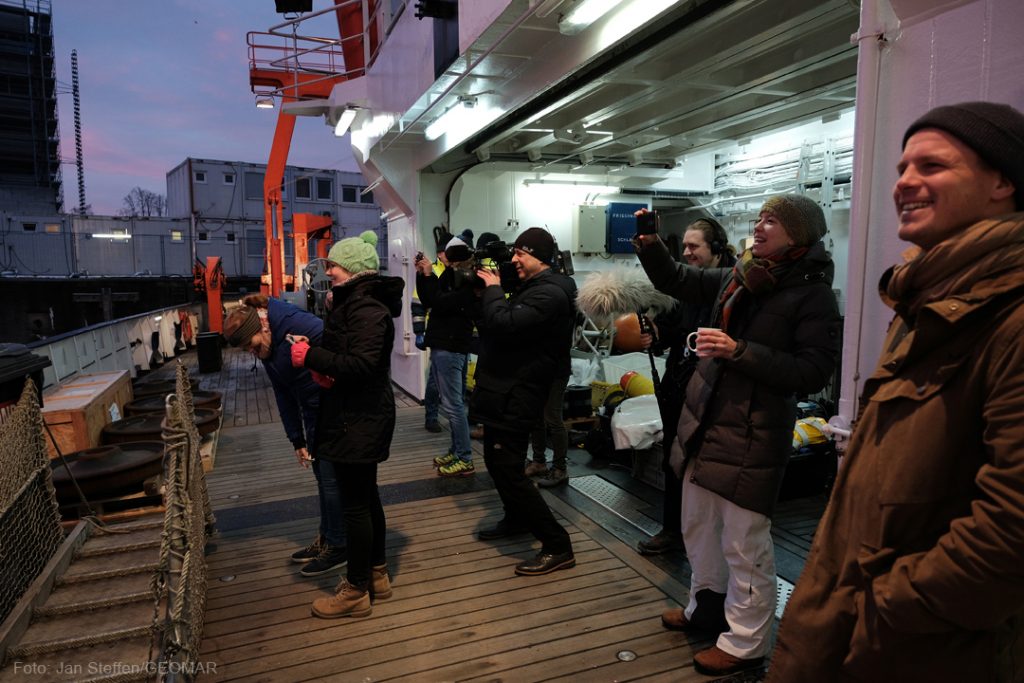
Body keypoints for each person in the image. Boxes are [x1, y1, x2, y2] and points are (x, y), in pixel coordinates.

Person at [767, 102, 1024, 682]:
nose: (904, 182)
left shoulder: (1009, 317)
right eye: (903, 166)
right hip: (858, 626)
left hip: (918, 647)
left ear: (1003, 181)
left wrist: (887, 606)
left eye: (932, 166)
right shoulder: (926, 302)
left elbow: (1013, 528)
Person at [634, 195, 840, 676]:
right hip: (706, 420)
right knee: (698, 528)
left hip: (754, 430)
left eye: (772, 220)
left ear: (799, 234)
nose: (760, 226)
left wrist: (738, 349)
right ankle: (705, 608)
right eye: (760, 218)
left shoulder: (813, 294)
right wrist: (648, 243)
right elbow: (675, 280)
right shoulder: (740, 274)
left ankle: (745, 642)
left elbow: (813, 372)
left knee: (745, 544)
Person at [289, 230, 405, 619]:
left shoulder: (367, 310)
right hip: (356, 415)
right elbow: (355, 359)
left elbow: (362, 365)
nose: (330, 272)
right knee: (366, 497)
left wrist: (311, 358)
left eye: (334, 265)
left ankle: (356, 590)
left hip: (359, 419)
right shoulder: (359, 305)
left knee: (356, 505)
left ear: (353, 269)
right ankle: (377, 574)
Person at [471, 227, 576, 576]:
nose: (514, 259)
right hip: (507, 389)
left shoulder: (550, 295)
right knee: (501, 463)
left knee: (506, 466)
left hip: (519, 391)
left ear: (540, 258)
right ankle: (517, 518)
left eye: (521, 254)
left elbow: (504, 323)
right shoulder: (533, 287)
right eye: (513, 253)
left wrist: (494, 290)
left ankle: (557, 544)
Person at [222, 295, 347, 577]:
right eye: (245, 350)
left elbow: (341, 357)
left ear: (263, 328)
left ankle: (340, 545)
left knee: (330, 480)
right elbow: (283, 391)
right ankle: (329, 537)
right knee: (323, 479)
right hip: (313, 413)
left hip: (333, 410)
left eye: (250, 345)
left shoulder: (298, 325)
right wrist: (297, 439)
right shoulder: (267, 345)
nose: (251, 352)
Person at [635, 217, 736, 556]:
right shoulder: (682, 288)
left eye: (695, 247)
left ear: (717, 249)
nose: (688, 253)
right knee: (672, 458)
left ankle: (708, 536)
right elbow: (669, 329)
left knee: (708, 464)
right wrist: (657, 336)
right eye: (686, 247)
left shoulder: (734, 287)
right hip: (679, 383)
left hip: (716, 391)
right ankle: (673, 529)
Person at [416, 234, 479, 477]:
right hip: (450, 346)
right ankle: (457, 450)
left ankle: (465, 458)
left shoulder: (465, 281)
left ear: (453, 258)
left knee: (454, 407)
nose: (441, 256)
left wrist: (429, 274)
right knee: (455, 404)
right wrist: (424, 274)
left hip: (451, 348)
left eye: (445, 254)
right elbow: (429, 299)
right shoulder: (454, 277)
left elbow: (437, 302)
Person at [524, 264, 577, 489]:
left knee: (552, 418)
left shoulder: (555, 295)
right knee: (538, 415)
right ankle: (539, 462)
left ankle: (560, 469)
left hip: (555, 367)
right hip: (542, 365)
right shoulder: (560, 288)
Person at [422, 230, 451, 433]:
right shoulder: (431, 271)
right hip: (439, 333)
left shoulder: (459, 270)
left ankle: (456, 417)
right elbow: (418, 304)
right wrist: (417, 332)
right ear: (441, 253)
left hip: (460, 334)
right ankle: (431, 416)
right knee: (435, 380)